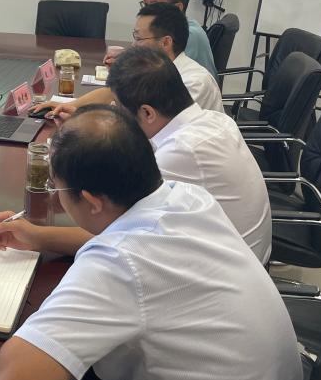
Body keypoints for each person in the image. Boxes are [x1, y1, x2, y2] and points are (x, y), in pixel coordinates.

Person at [0, 107, 302, 380]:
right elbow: (123, 239)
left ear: (91, 200)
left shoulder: (121, 262)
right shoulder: (187, 198)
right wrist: (38, 237)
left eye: (56, 189)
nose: (57, 199)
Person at [107, 45, 271, 264]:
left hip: (227, 269)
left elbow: (116, 227)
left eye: (118, 108)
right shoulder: (216, 120)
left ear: (147, 112)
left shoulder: (182, 151)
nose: (116, 114)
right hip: (245, 257)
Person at [44, 3, 224, 115]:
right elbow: (112, 92)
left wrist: (84, 118)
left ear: (165, 43)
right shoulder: (154, 70)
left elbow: (153, 131)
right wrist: (69, 106)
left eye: (138, 38)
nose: (133, 45)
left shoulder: (193, 83)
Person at [124, 0, 217, 78]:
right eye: (145, 4)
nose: (147, 10)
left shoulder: (190, 34)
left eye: (154, 5)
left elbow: (154, 71)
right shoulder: (181, 27)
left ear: (177, 8)